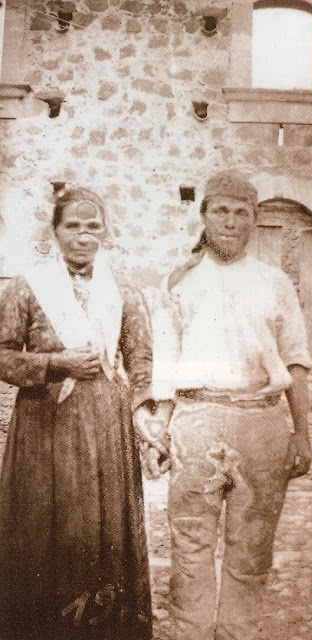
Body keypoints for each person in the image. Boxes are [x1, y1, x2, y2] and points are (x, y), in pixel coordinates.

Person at [135, 170, 312, 640]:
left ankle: (239, 631)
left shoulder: (275, 282)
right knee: (190, 541)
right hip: (198, 421)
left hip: (262, 424)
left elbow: (296, 360)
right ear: (205, 215)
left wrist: (302, 433)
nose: (231, 222)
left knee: (252, 546)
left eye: (241, 213)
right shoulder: (179, 281)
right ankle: (190, 630)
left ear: (254, 219)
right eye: (221, 211)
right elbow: (167, 361)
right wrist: (161, 428)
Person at [0, 188, 153, 640]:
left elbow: (142, 361)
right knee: (45, 524)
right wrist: (54, 363)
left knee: (102, 526)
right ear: (55, 231)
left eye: (93, 227)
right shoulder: (27, 287)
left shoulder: (125, 290)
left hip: (106, 425)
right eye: (73, 226)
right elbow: (2, 355)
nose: (83, 236)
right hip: (45, 425)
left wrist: (145, 415)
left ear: (104, 232)